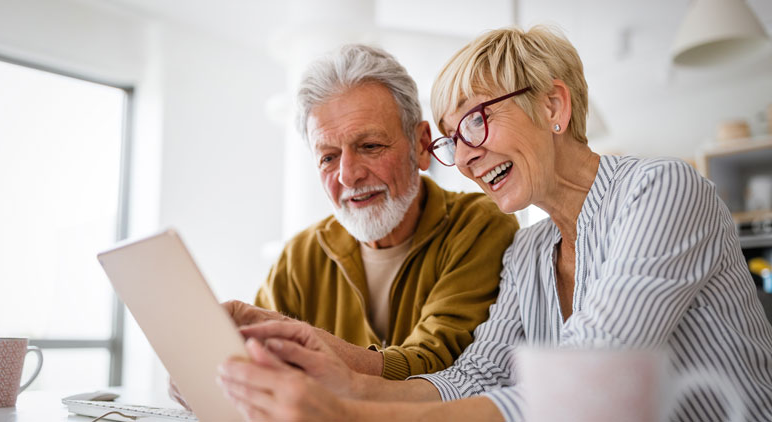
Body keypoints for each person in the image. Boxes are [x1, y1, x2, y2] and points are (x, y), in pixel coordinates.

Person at [215, 26, 772, 421]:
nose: (467, 156)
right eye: (453, 139)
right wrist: (347, 380)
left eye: (476, 122)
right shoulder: (530, 250)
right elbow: (474, 378)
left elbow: (578, 392)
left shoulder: (661, 191)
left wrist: (349, 415)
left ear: (554, 107)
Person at [220, 45, 518, 381]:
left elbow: (437, 368)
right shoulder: (299, 258)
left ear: (421, 146)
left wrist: (296, 340)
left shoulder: (478, 225)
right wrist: (214, 374)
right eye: (328, 157)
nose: (348, 175)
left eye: (371, 146)